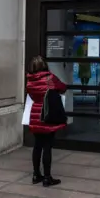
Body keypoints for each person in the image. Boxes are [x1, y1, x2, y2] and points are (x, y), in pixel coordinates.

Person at [26, 55, 67, 187]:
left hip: (35, 115)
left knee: (37, 146)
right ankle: (47, 177)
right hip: (48, 115)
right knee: (47, 146)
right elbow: (62, 87)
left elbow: (32, 95)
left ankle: (36, 174)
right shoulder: (50, 78)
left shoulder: (29, 80)